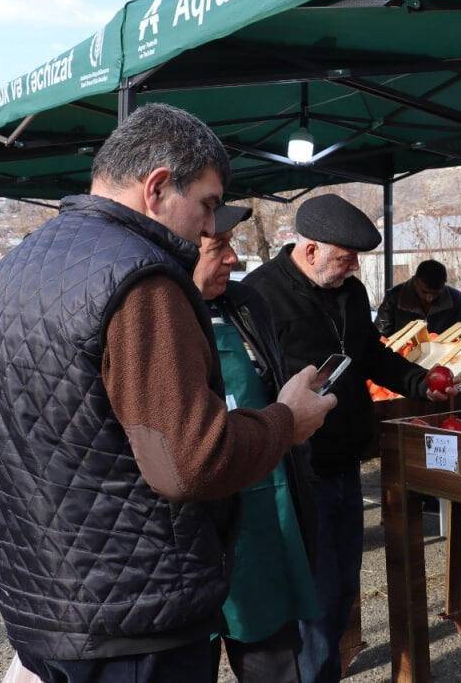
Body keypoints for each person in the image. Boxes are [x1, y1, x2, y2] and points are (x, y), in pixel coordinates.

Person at [0, 103, 335, 682]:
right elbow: (191, 463)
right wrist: (288, 419)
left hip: (42, 607)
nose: (211, 229)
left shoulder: (12, 269)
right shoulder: (143, 279)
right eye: (208, 204)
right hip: (136, 623)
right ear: (158, 186)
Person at [242, 194, 455, 683]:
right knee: (312, 602)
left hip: (345, 468)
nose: (352, 267)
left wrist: (419, 384)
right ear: (310, 249)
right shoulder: (259, 296)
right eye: (344, 257)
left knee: (341, 592)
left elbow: (370, 356)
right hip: (297, 473)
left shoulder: (351, 293)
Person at [194, 205, 320, 683]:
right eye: (218, 247)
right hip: (192, 525)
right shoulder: (154, 316)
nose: (233, 258)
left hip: (263, 512)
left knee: (273, 661)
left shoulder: (244, 305)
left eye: (232, 244)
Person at [374, 258, 461, 336]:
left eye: (436, 293)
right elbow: (379, 336)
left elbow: (460, 333)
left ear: (444, 284)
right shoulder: (394, 297)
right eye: (424, 292)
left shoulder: (455, 298)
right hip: (401, 354)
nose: (429, 298)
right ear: (415, 281)